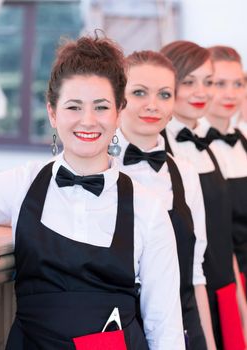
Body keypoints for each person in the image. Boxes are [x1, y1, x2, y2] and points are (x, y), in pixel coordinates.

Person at [0, 34, 184, 349]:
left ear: (117, 113)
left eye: (101, 107)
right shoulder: (23, 183)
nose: (87, 120)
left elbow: (165, 327)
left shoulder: (147, 207)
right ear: (53, 113)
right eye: (73, 107)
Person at [115, 50, 214, 349]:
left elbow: (196, 272)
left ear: (173, 105)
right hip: (119, 331)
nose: (152, 105)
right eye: (139, 92)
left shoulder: (186, 172)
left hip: (184, 329)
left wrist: (208, 343)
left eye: (164, 94)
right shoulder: (96, 169)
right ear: (119, 99)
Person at [160, 40, 246, 349]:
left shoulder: (207, 146)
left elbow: (222, 235)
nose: (201, 92)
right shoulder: (157, 150)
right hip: (186, 294)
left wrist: (238, 302)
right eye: (189, 81)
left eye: (207, 82)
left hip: (223, 288)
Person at [201, 46, 247, 302]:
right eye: (219, 83)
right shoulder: (186, 147)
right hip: (214, 280)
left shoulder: (244, 141)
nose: (230, 93)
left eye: (238, 84)